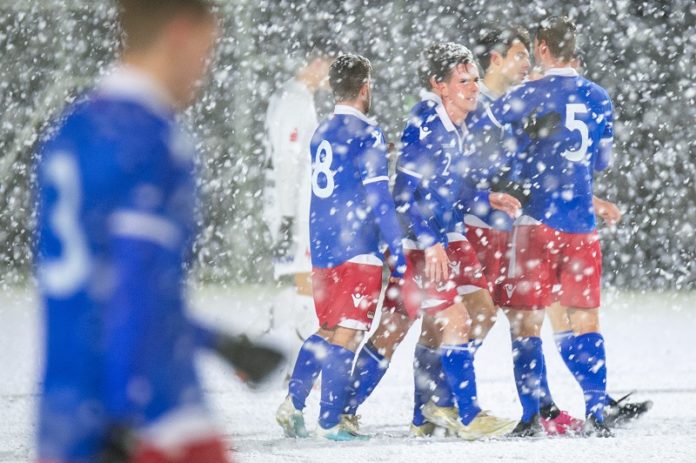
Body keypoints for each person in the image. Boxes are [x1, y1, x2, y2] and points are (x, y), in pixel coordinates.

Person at [35, 1, 282, 461]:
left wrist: (218, 343)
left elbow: (107, 290)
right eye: (209, 49)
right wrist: (123, 418)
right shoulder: (151, 137)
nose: (207, 69)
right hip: (156, 414)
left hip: (65, 411)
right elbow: (134, 288)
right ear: (180, 36)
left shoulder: (73, 130)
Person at [344, 43, 520, 439]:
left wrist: (486, 199)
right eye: (464, 81)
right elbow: (404, 196)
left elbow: (451, 191)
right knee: (421, 324)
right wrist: (429, 242)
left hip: (447, 235)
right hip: (419, 241)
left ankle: (426, 412)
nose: (474, 88)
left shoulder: (459, 126)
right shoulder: (426, 124)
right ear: (439, 85)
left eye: (475, 80)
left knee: (479, 311)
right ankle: (466, 415)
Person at [473, 16, 619, 437]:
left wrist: (522, 151)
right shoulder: (599, 97)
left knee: (526, 322)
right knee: (585, 318)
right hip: (581, 224)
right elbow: (602, 161)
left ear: (541, 48)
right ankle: (597, 410)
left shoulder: (525, 95)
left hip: (536, 222)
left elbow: (481, 138)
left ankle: (530, 415)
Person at [275, 53, 407, 441]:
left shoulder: (323, 131)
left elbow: (337, 183)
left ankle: (292, 404)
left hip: (324, 247)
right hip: (357, 248)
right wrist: (397, 247)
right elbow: (379, 199)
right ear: (365, 88)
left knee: (328, 329)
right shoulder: (367, 134)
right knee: (347, 334)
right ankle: (330, 423)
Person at [264, 45, 334, 340]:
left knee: (303, 274)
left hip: (292, 204)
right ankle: (297, 342)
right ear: (317, 63)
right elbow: (287, 161)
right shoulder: (295, 101)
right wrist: (288, 216)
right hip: (294, 206)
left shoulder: (293, 96)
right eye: (331, 66)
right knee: (306, 273)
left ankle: (283, 335)